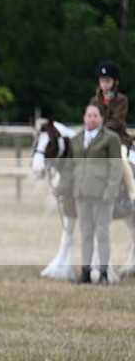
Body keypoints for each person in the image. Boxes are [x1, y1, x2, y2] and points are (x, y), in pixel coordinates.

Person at [57, 103, 123, 284]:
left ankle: (103, 273)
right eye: (89, 115)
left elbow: (116, 167)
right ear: (84, 118)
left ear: (101, 119)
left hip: (102, 194)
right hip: (81, 193)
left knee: (102, 233)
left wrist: (111, 191)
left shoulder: (110, 139)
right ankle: (85, 271)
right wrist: (61, 187)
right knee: (85, 233)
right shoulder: (77, 139)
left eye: (96, 116)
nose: (92, 119)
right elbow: (70, 168)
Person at [90, 60, 135, 207]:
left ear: (115, 82)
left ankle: (132, 195)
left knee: (121, 159)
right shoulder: (94, 101)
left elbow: (117, 122)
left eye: (108, 81)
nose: (104, 84)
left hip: (118, 139)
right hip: (98, 139)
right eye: (102, 81)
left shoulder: (122, 100)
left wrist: (98, 128)